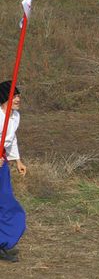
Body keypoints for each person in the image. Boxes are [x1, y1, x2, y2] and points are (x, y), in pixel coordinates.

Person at [0, 81, 26, 263]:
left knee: (6, 203)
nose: (18, 99)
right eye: (13, 96)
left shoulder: (15, 116)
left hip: (2, 164)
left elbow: (11, 139)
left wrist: (17, 160)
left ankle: (4, 243)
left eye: (18, 95)